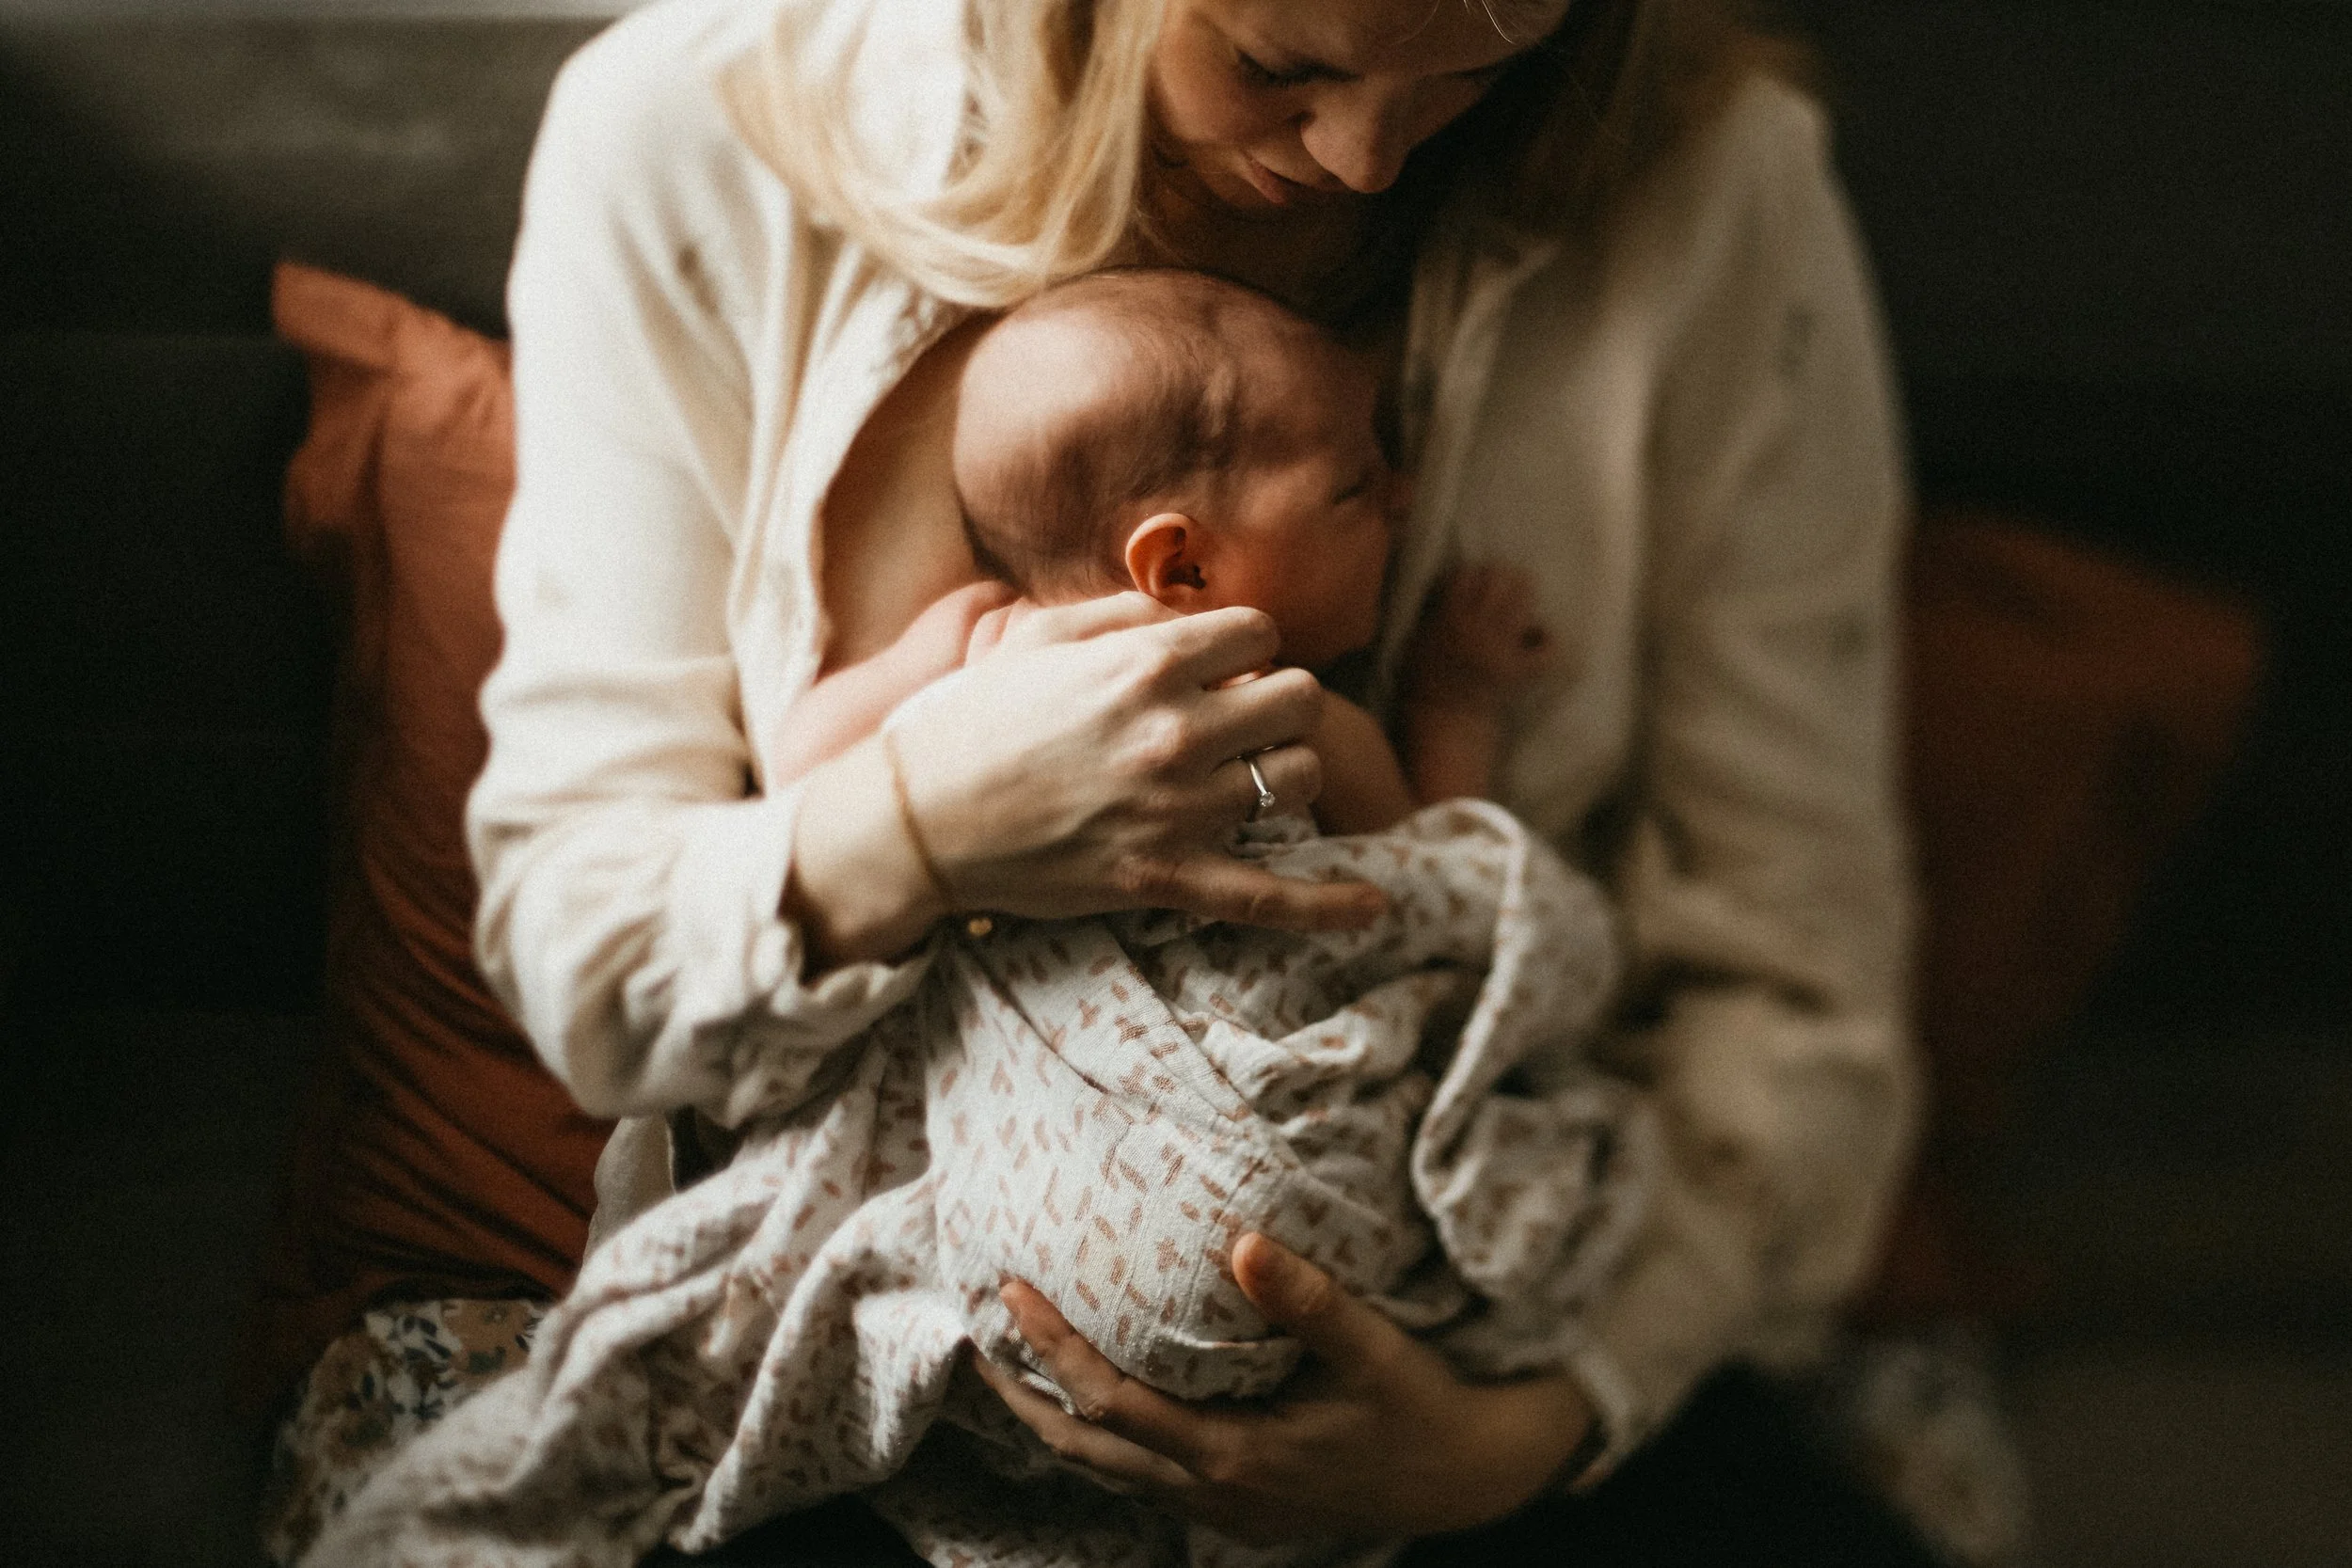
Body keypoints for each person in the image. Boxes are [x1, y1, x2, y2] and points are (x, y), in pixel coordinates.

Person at [265, 0, 1930, 1560]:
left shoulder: (1711, 197)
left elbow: (1794, 992)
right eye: (1283, 57)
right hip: (922, 1344)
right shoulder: (701, 147)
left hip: (1469, 1336)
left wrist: (1520, 1434)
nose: (1367, 157)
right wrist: (924, 831)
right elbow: (595, 967)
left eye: (1471, 73)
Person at [767, 264, 1553, 832]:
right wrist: (1454, 711)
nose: (1406, 496)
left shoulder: (977, 639)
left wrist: (1451, 695)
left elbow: (1435, 901)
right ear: (1183, 566)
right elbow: (1445, 876)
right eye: (1356, 485)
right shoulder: (1288, 711)